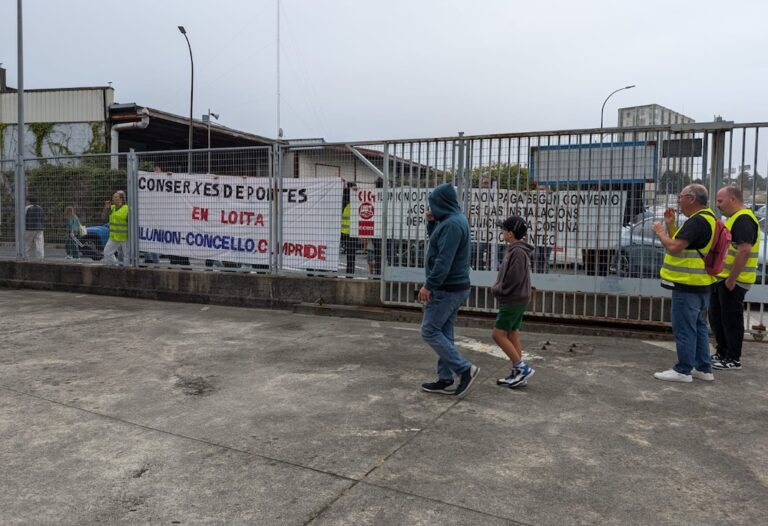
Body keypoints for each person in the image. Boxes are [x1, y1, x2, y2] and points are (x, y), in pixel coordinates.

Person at [651, 184, 716, 383]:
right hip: (701, 283)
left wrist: (660, 231)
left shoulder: (697, 221)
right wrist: (671, 225)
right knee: (698, 326)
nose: (678, 200)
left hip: (688, 285)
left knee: (685, 328)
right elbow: (686, 243)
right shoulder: (708, 218)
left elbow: (675, 247)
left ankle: (683, 370)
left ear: (692, 198)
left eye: (681, 196)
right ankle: (703, 368)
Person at [418, 182, 479, 398]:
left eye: (433, 204)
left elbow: (443, 260)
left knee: (429, 330)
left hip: (447, 288)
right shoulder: (450, 221)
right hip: (453, 287)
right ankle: (445, 378)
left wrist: (429, 285)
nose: (431, 208)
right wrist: (432, 223)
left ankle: (464, 369)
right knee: (444, 332)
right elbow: (438, 243)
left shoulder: (453, 224)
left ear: (442, 203)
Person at [709, 186, 760, 370]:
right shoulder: (734, 219)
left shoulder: (744, 219)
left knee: (731, 319)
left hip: (734, 281)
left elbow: (744, 250)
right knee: (717, 317)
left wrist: (732, 279)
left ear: (733, 199)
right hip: (723, 279)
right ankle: (722, 353)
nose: (718, 205)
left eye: (720, 201)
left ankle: (733, 358)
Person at [492, 216, 536, 388]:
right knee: (511, 334)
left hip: (512, 299)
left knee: (497, 334)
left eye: (504, 230)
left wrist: (499, 289)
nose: (502, 232)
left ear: (510, 234)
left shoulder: (517, 252)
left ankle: (521, 368)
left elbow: (514, 278)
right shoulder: (517, 250)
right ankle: (519, 374)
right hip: (518, 298)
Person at [101, 190, 129, 265]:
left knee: (127, 256)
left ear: (121, 199)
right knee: (107, 253)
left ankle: (127, 270)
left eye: (116, 197)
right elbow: (103, 218)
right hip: (114, 236)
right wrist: (106, 207)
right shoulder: (111, 208)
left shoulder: (127, 209)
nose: (113, 198)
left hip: (125, 237)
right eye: (113, 197)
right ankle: (116, 267)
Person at [340, 182, 358, 276]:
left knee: (351, 255)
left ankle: (350, 273)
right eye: (354, 188)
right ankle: (349, 273)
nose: (356, 190)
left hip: (352, 232)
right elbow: (346, 193)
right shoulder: (346, 199)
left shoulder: (356, 200)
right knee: (349, 254)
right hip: (345, 232)